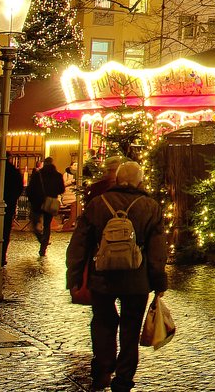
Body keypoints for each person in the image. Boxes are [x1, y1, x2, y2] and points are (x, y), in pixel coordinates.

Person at [66, 161, 169, 392]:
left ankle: (103, 369)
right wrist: (159, 280)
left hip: (102, 276)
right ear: (139, 181)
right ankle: (123, 379)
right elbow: (157, 249)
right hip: (137, 278)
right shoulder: (150, 207)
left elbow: (79, 243)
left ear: (116, 180)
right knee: (131, 329)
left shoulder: (97, 204)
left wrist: (73, 276)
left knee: (102, 322)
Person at [28, 159, 69, 258]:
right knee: (47, 225)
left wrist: (32, 199)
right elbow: (61, 189)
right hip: (50, 203)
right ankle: (43, 246)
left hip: (38, 202)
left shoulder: (37, 175)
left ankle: (41, 238)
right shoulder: (58, 175)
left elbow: (30, 189)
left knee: (34, 222)